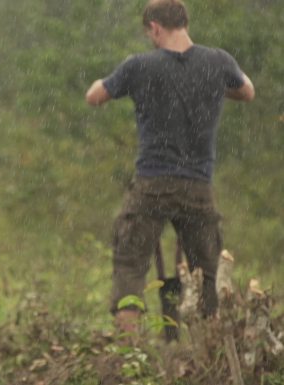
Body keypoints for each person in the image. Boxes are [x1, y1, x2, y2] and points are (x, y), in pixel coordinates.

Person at [85, 0, 255, 332]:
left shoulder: (139, 66)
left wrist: (100, 83)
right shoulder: (218, 61)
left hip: (152, 183)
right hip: (198, 186)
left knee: (130, 266)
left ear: (155, 28)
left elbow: (95, 96)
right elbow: (246, 91)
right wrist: (214, 86)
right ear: (184, 23)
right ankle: (214, 359)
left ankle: (127, 360)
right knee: (208, 276)